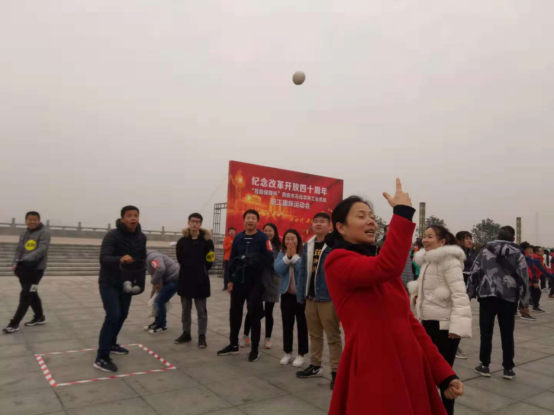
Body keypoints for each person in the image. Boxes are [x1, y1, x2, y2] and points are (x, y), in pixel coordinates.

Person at [324, 179, 464, 415]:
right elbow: (387, 266)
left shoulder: (377, 265)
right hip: (375, 370)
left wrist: (444, 374)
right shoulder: (337, 261)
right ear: (341, 227)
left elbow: (411, 325)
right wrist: (402, 213)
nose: (371, 221)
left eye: (371, 216)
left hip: (410, 367)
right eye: (361, 216)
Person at [409, 226, 472, 415]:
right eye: (424, 236)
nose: (425, 240)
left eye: (430, 237)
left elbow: (460, 295)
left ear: (442, 241)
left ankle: (446, 412)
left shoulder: (449, 261)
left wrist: (457, 328)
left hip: (444, 328)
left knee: (445, 377)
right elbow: (425, 287)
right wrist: (416, 297)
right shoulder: (428, 261)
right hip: (427, 323)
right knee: (426, 374)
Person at [468, 226, 530, 380]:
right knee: (507, 333)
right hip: (508, 297)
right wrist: (524, 302)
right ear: (513, 238)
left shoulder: (485, 250)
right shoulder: (518, 253)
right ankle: (508, 368)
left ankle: (484, 365)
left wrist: (469, 292)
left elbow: (474, 271)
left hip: (487, 295)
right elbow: (523, 277)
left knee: (486, 332)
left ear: (497, 236)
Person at [94, 206, 147, 372]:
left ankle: (111, 344)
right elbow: (104, 258)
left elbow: (141, 261)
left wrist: (141, 283)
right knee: (113, 315)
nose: (133, 218)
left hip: (127, 282)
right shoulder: (112, 235)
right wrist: (120, 259)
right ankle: (101, 357)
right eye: (129, 215)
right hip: (109, 282)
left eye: (136, 215)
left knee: (123, 314)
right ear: (122, 219)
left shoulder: (141, 237)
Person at [217, 209, 274, 362]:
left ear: (257, 221)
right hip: (238, 282)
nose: (250, 220)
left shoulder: (263, 238)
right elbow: (232, 260)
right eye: (248, 218)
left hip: (255, 283)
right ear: (243, 221)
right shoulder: (238, 238)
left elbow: (269, 259)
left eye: (253, 218)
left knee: (254, 315)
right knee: (234, 314)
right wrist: (229, 280)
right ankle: (233, 344)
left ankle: (255, 348)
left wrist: (252, 260)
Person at [295, 212, 343, 391]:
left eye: (322, 221)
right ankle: (315, 365)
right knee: (314, 335)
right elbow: (302, 272)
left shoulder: (335, 245)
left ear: (330, 226)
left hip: (328, 297)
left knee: (333, 336)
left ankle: (337, 372)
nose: (318, 224)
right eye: (315, 221)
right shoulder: (308, 244)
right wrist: (301, 295)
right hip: (310, 297)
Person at [3, 211, 51, 334]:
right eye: (30, 219)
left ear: (39, 220)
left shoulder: (44, 232)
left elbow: (42, 248)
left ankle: (14, 323)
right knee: (31, 293)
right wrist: (15, 262)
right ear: (26, 221)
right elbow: (19, 250)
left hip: (36, 269)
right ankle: (39, 317)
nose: (32, 222)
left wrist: (26, 259)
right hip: (23, 268)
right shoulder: (24, 233)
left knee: (25, 295)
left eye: (35, 219)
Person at [174, 213, 215, 349]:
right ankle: (186, 333)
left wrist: (201, 269)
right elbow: (180, 259)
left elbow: (210, 259)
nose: (194, 224)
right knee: (185, 309)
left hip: (201, 280)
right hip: (185, 279)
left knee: (201, 311)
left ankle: (202, 336)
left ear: (200, 224)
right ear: (188, 222)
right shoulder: (182, 241)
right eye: (192, 221)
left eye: (197, 222)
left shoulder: (207, 242)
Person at [241, 223, 281, 349]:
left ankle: (268, 337)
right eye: (266, 230)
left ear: (275, 232)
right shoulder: (259, 244)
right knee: (252, 310)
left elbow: (279, 264)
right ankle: (245, 335)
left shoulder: (279, 247)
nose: (268, 233)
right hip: (257, 280)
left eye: (270, 230)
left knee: (269, 311)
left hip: (272, 281)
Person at [275, 229, 308, 367]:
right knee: (287, 324)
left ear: (298, 240)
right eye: (287, 239)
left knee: (302, 325)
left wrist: (294, 257)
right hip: (287, 295)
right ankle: (287, 352)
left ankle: (301, 354)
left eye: (293, 238)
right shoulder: (281, 254)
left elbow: (303, 271)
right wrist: (287, 258)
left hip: (301, 297)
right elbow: (278, 269)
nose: (290, 241)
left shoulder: (304, 253)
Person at [144, 249, 180, 334]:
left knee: (159, 301)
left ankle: (161, 325)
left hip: (174, 279)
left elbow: (160, 269)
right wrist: (154, 291)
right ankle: (157, 322)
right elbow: (156, 273)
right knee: (157, 301)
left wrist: (153, 281)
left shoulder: (152, 257)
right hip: (170, 279)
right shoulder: (148, 259)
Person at [519, 242, 538, 320]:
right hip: (526, 280)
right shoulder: (526, 257)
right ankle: (525, 313)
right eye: (530, 248)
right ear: (527, 249)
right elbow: (529, 270)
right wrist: (534, 280)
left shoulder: (519, 255)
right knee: (526, 296)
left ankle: (520, 311)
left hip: (518, 279)